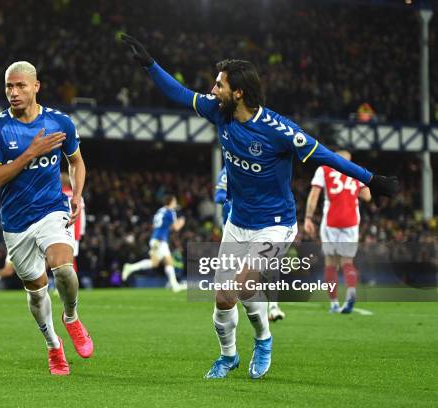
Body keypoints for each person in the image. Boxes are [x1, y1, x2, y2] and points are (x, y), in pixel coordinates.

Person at [121, 34, 398, 380]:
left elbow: (326, 156)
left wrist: (371, 180)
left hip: (276, 224)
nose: (212, 89)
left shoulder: (280, 131)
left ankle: (263, 340)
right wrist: (150, 65)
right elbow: (179, 93)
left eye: (219, 84)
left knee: (245, 282)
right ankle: (228, 356)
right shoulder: (218, 112)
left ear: (238, 92)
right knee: (223, 297)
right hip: (239, 222)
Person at [0, 61, 93, 376]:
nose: (13, 93)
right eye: (8, 87)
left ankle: (71, 317)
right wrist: (29, 152)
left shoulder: (60, 123)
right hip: (16, 223)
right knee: (37, 291)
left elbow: (77, 162)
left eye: (20, 86)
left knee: (65, 268)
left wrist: (77, 196)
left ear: (36, 87)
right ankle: (53, 347)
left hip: (51, 209)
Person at [304, 150, 372, 314]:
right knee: (347, 262)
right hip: (351, 222)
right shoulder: (356, 171)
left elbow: (314, 194)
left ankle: (334, 303)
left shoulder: (324, 169)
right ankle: (350, 292)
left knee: (331, 263)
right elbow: (367, 196)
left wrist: (308, 217)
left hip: (331, 222)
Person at [215, 166, 285, 322]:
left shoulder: (258, 166)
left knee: (269, 265)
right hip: (234, 228)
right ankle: (244, 305)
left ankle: (273, 306)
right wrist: (238, 201)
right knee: (237, 275)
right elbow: (219, 196)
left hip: (260, 225)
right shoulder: (227, 171)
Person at [122, 195, 186, 292]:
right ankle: (130, 267)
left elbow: (157, 225)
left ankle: (174, 284)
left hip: (156, 239)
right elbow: (176, 228)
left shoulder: (160, 211)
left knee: (166, 261)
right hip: (160, 240)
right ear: (171, 202)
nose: (176, 204)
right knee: (156, 262)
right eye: (175, 201)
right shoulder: (171, 212)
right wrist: (182, 222)